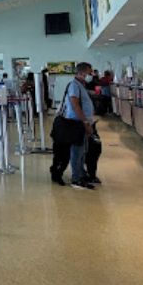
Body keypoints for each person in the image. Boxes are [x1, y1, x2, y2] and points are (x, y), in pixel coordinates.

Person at [63, 62, 96, 190]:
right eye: (89, 72)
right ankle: (76, 179)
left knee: (82, 151)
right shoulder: (74, 86)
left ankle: (81, 174)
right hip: (77, 123)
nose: (91, 75)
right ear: (82, 72)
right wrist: (86, 123)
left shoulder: (81, 85)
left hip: (82, 122)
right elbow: (75, 105)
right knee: (77, 152)